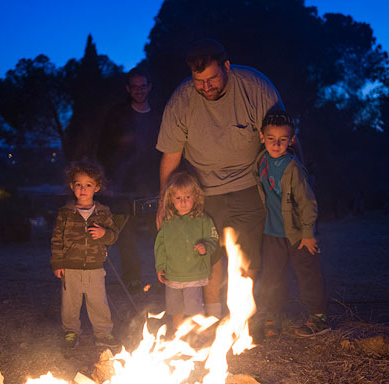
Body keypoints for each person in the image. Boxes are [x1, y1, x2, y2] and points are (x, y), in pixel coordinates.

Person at [156, 39, 296, 318]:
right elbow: (171, 156)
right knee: (210, 256)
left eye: (211, 79)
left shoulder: (255, 87)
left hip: (249, 184)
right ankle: (210, 317)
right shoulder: (182, 99)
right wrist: (164, 202)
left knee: (248, 256)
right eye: (199, 81)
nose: (205, 87)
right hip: (204, 188)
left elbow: (283, 136)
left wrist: (295, 186)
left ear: (227, 67)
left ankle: (245, 319)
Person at [255, 111, 328, 337]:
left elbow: (308, 203)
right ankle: (271, 317)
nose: (276, 144)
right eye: (271, 139)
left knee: (307, 274)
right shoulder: (261, 161)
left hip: (297, 234)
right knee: (272, 276)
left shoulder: (293, 168)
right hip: (272, 232)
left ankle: (318, 318)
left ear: (292, 140)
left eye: (282, 140)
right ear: (262, 137)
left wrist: (308, 233)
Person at [98, 67, 162, 294]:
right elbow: (104, 148)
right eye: (134, 87)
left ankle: (165, 277)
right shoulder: (118, 115)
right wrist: (109, 179)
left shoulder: (158, 115)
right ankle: (132, 278)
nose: (139, 91)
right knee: (125, 233)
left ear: (149, 87)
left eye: (143, 86)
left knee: (160, 232)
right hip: (124, 184)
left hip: (153, 182)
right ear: (128, 89)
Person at [50, 161, 120, 349]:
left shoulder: (103, 212)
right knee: (70, 304)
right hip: (70, 267)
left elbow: (113, 236)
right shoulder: (65, 213)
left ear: (96, 187)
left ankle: (103, 333)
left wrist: (104, 233)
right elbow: (57, 239)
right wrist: (57, 263)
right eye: (78, 184)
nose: (83, 189)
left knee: (98, 303)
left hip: (95, 267)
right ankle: (71, 332)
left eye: (88, 185)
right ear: (72, 186)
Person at [154, 172, 218, 331]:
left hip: (194, 274)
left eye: (187, 197)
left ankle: (197, 336)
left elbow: (213, 239)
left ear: (195, 197)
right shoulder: (168, 222)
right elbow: (160, 246)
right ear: (171, 199)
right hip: (172, 275)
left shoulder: (202, 219)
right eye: (178, 198)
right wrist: (160, 266)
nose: (183, 202)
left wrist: (205, 247)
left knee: (194, 308)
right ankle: (178, 336)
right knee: (175, 309)